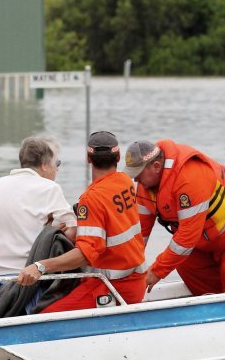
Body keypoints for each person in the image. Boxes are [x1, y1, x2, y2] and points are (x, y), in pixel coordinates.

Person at [16, 131, 148, 312]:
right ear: (118, 157)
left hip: (113, 287)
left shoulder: (92, 198)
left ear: (88, 159)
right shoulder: (126, 182)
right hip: (136, 279)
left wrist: (41, 266)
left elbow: (87, 254)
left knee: (44, 314)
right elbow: (109, 225)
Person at [124, 139, 225, 296]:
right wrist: (127, 276)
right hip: (211, 236)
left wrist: (155, 273)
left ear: (155, 167)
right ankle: (213, 309)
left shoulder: (189, 178)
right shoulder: (145, 187)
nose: (135, 180)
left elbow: (186, 239)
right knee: (184, 265)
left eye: (138, 175)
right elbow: (139, 236)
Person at [0, 135, 77, 277]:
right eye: (56, 163)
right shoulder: (49, 188)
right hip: (28, 277)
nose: (57, 169)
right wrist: (52, 232)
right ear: (44, 165)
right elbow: (73, 233)